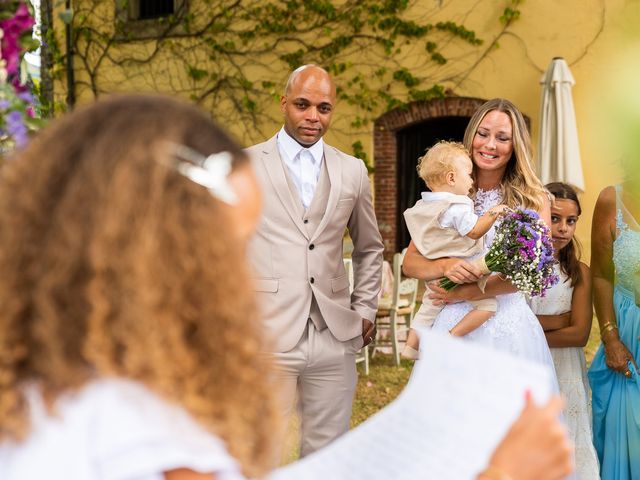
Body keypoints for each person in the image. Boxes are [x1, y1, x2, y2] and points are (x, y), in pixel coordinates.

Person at [0, 93, 573, 480]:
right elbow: (417, 259)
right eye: (228, 251)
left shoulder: (42, 393)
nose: (243, 283)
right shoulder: (133, 431)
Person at [0, 94, 279, 480]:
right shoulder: (149, 434)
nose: (239, 275)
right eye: (230, 251)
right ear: (153, 257)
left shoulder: (27, 391)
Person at [245, 64, 384, 458]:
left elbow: (369, 246)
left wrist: (365, 309)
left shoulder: (352, 171)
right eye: (303, 105)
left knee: (328, 456)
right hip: (265, 333)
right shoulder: (246, 165)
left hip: (334, 334)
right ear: (283, 102)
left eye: (323, 108)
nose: (313, 117)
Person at [401, 99, 559, 376]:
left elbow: (534, 271)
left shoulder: (533, 199)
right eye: (483, 133)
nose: (489, 145)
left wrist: (467, 292)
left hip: (507, 326)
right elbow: (410, 263)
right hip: (449, 318)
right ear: (471, 134)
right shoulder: (447, 195)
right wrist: (443, 267)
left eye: (502, 138)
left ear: (515, 146)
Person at [401, 141, 508, 360]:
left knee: (429, 306)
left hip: (437, 276)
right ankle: (451, 336)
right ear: (451, 178)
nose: (471, 180)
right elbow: (475, 231)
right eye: (468, 175)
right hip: (463, 271)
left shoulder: (425, 207)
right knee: (488, 305)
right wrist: (493, 213)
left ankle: (411, 346)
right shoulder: (456, 206)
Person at [529, 182, 599, 479]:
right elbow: (514, 318)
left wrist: (530, 328)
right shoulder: (524, 267)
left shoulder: (579, 272)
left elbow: (579, 335)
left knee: (567, 440)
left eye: (571, 221)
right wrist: (559, 320)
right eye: (555, 218)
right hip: (528, 366)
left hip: (566, 371)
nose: (562, 229)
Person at [588, 180, 640, 479]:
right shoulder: (611, 199)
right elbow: (601, 275)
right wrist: (610, 336)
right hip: (626, 331)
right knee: (625, 430)